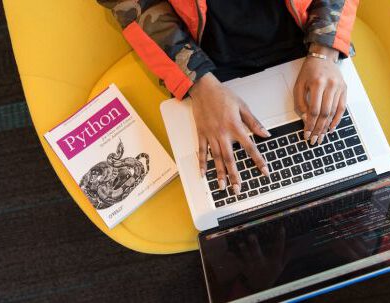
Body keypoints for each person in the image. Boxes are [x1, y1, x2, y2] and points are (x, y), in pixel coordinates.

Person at [97, 0, 358, 196]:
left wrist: (325, 46)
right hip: (207, 70)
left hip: (309, 43)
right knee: (239, 208)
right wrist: (197, 81)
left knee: (352, 188)